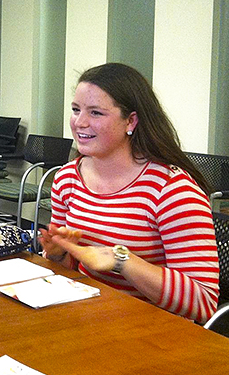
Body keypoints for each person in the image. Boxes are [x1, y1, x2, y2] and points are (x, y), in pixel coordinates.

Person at [39, 63, 219, 324]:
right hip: (87, 319)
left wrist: (120, 260)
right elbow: (69, 271)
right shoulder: (68, 178)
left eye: (95, 112)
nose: (80, 122)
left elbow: (202, 302)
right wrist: (58, 253)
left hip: (152, 333)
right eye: (76, 110)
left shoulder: (171, 190)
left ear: (130, 121)